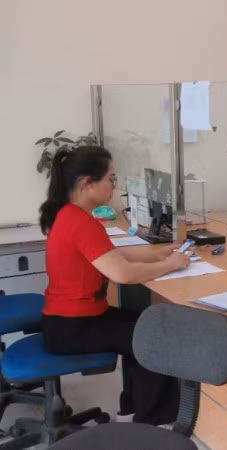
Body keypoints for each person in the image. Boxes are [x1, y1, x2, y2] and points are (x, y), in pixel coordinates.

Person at [39, 146, 188, 425]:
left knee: (143, 322)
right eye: (111, 179)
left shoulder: (69, 214)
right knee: (156, 334)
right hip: (74, 327)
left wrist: (155, 254)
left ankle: (134, 401)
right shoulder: (81, 223)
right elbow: (123, 274)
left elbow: (105, 254)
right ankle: (152, 420)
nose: (113, 186)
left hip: (63, 321)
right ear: (87, 183)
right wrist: (172, 265)